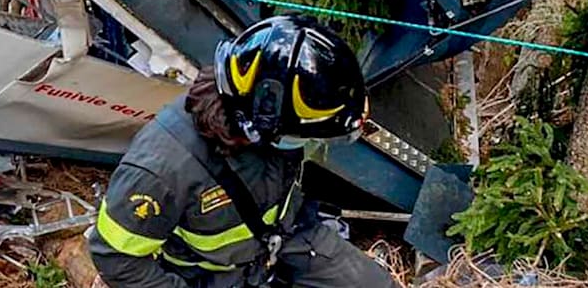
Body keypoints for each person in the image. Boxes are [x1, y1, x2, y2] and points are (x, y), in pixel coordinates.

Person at [88, 15, 399, 288]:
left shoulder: (266, 119)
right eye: (304, 136)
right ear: (261, 123)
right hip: (209, 274)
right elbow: (117, 259)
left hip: (286, 237)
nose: (308, 144)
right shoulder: (162, 169)